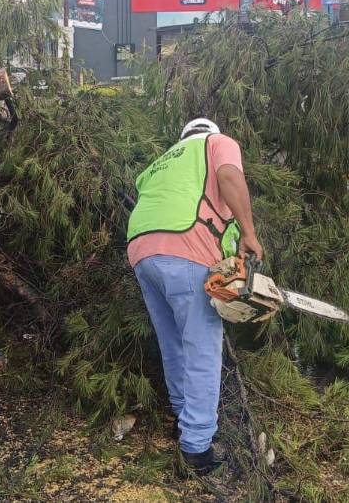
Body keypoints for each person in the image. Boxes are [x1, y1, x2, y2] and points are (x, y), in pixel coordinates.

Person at [126, 118, 263, 475]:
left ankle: (182, 419)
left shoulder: (162, 162)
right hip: (185, 247)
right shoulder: (218, 143)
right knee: (202, 348)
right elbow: (230, 178)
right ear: (210, 133)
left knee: (173, 343)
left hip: (141, 251)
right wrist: (249, 233)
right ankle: (197, 447)